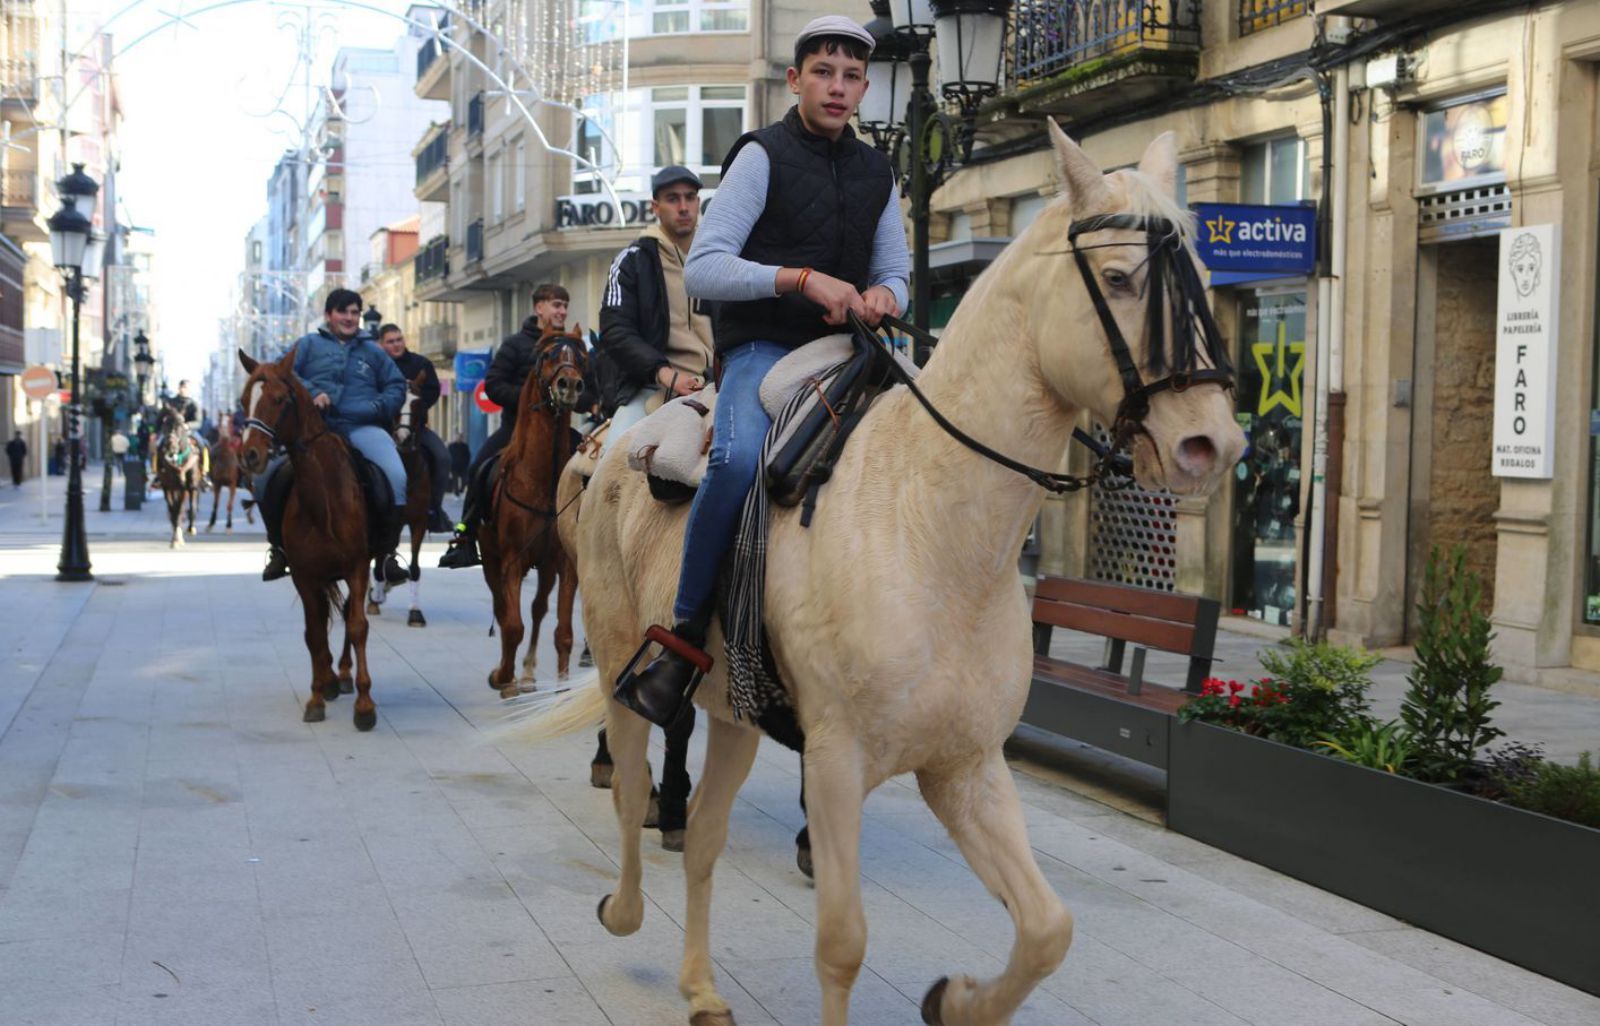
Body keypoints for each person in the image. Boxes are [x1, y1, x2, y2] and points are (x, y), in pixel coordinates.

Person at [613, 16, 910, 728]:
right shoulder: (762, 155)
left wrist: (884, 296)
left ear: (864, 88)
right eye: (823, 73)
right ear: (795, 79)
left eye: (849, 77)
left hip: (853, 353)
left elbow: (896, 269)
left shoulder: (877, 171)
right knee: (740, 458)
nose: (837, 88)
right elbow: (707, 268)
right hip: (764, 352)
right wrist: (802, 280)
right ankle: (682, 640)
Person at [258, 289, 410, 585]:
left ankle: (388, 554)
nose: (350, 318)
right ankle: (278, 548)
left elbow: (395, 386)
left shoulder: (374, 352)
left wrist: (376, 407)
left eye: (355, 312)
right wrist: (312, 393)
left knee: (397, 474)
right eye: (343, 312)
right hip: (314, 432)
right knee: (266, 478)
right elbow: (278, 372)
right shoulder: (308, 345)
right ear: (329, 316)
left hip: (362, 428)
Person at [438, 282, 572, 569]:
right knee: (478, 468)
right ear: (540, 307)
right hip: (516, 429)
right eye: (556, 305)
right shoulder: (515, 344)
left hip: (561, 432)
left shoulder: (570, 347)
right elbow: (495, 385)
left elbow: (589, 389)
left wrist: (582, 398)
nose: (562, 311)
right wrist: (530, 399)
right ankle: (465, 536)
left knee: (591, 469)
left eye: (564, 306)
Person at [598, 165, 714, 443]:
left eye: (690, 197)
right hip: (652, 388)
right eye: (673, 198)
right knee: (615, 456)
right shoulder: (632, 260)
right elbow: (615, 330)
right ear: (655, 207)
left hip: (719, 386)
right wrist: (664, 373)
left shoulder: (718, 257)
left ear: (698, 202)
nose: (683, 207)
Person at [377, 323, 453, 532]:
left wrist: (416, 409)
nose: (396, 344)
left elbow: (433, 390)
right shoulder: (378, 365)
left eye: (399, 339)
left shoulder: (421, 363)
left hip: (417, 428)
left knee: (443, 456)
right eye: (391, 341)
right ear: (382, 344)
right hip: (384, 428)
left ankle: (434, 509)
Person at [162, 380, 210, 483]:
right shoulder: (171, 402)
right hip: (172, 431)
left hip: (189, 432)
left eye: (186, 387)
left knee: (203, 445)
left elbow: (198, 422)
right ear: (178, 388)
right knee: (159, 445)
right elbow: (160, 417)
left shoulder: (194, 404)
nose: (183, 389)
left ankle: (204, 473)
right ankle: (158, 473)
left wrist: (188, 425)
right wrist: (155, 432)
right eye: (182, 387)